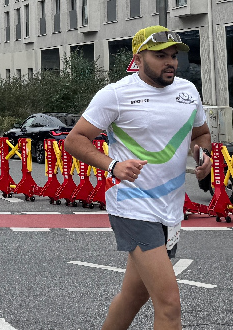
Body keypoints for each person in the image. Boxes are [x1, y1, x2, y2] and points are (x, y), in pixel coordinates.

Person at [64, 26, 210, 330]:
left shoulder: (188, 92)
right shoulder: (116, 94)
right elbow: (75, 139)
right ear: (138, 57)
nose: (170, 62)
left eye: (173, 56)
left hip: (170, 209)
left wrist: (202, 156)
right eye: (160, 56)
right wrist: (113, 165)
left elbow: (200, 134)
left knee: (133, 297)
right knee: (169, 304)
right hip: (132, 207)